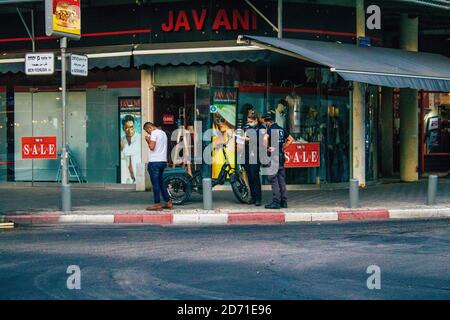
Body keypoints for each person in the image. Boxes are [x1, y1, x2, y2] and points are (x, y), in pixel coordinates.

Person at [263, 113, 294, 209]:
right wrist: (283, 147)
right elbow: (291, 139)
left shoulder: (270, 129)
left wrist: (267, 148)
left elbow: (265, 138)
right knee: (281, 179)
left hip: (273, 157)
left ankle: (276, 202)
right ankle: (284, 202)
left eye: (265, 122)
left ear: (268, 122)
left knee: (273, 179)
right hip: (281, 156)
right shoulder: (281, 129)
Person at [143, 122, 173, 211]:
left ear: (149, 128)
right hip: (162, 161)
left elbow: (152, 147)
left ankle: (157, 204)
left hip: (154, 162)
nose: (148, 133)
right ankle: (168, 202)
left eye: (147, 131)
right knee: (160, 182)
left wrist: (148, 140)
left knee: (155, 184)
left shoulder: (154, 133)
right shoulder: (163, 133)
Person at [243, 114, 263, 206]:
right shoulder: (249, 128)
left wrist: (248, 139)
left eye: (251, 121)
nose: (249, 123)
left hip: (256, 154)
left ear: (256, 120)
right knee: (249, 176)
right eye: (248, 122)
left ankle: (258, 198)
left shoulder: (261, 128)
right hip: (248, 154)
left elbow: (259, 141)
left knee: (255, 176)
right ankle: (253, 197)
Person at [120, 115, 141, 184]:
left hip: (138, 175)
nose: (129, 130)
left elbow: (128, 151)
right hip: (127, 177)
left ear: (134, 126)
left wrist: (122, 147)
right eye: (126, 128)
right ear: (123, 128)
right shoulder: (122, 140)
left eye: (131, 127)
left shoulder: (139, 138)